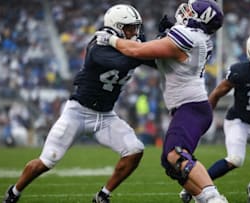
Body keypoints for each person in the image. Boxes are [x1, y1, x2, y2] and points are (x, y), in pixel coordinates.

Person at [3, 4, 155, 203]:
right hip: (78, 112)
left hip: (105, 116)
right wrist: (145, 49)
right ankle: (14, 192)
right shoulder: (98, 45)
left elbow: (153, 59)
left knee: (135, 150)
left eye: (135, 27)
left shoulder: (131, 44)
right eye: (129, 28)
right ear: (116, 27)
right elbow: (123, 62)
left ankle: (103, 196)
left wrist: (166, 41)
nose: (134, 32)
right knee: (47, 161)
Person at [95, 0, 228, 202]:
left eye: (191, 10)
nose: (186, 11)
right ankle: (205, 197)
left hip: (190, 106)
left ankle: (214, 198)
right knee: (171, 163)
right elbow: (159, 59)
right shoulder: (199, 38)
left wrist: (110, 40)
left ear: (199, 19)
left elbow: (136, 51)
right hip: (191, 107)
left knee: (177, 155)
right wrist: (161, 38)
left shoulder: (187, 37)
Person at [180, 30, 250, 203]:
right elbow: (216, 94)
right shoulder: (240, 71)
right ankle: (195, 187)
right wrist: (204, 119)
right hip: (238, 121)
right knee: (235, 159)